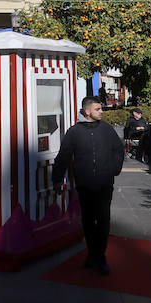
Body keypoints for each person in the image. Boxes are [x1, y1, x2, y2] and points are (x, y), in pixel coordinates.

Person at [53, 97, 125, 275]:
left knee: (103, 221)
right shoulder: (74, 132)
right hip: (85, 184)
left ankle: (100, 256)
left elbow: (118, 150)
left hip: (104, 183)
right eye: (98, 109)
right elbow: (64, 156)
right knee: (88, 220)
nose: (102, 111)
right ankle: (92, 254)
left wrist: (114, 169)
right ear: (87, 112)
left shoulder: (107, 130)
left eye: (101, 109)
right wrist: (57, 178)